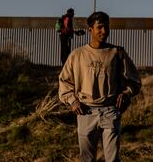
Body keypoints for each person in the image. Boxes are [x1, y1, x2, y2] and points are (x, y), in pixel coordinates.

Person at [58, 11, 141, 162]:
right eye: (100, 27)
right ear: (90, 29)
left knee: (112, 159)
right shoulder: (77, 55)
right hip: (85, 111)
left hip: (110, 111)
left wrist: (126, 94)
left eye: (107, 27)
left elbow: (134, 81)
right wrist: (72, 101)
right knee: (87, 159)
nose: (104, 31)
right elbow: (64, 81)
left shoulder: (117, 53)